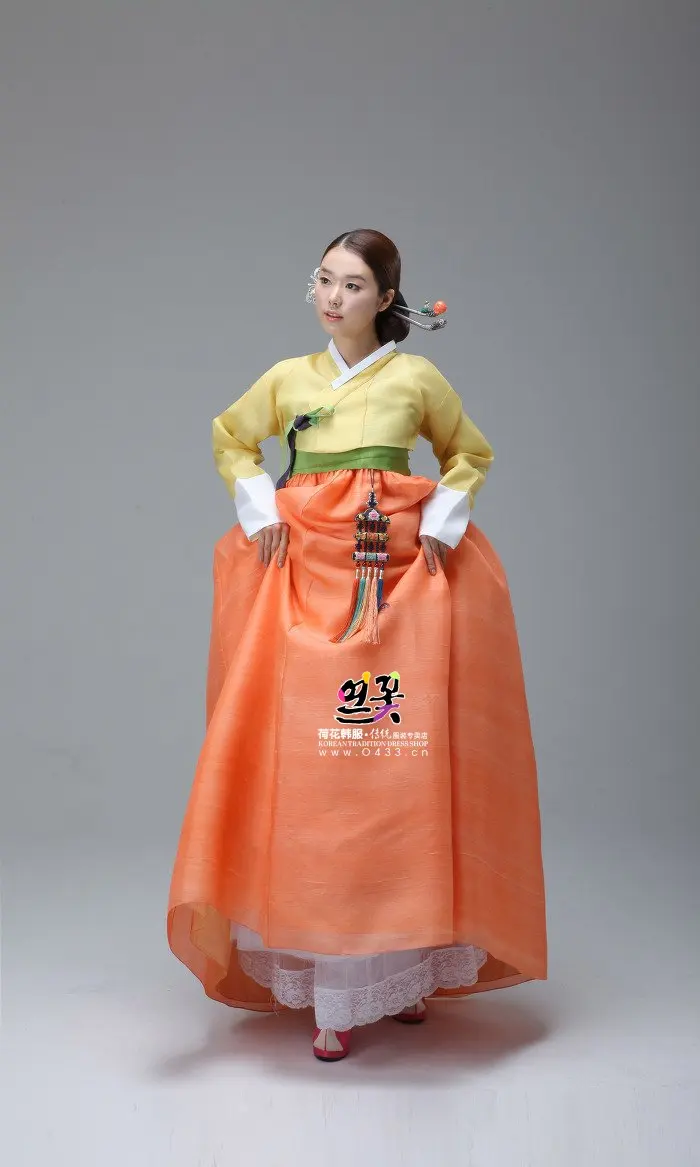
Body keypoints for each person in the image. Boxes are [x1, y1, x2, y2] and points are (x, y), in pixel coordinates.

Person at [167, 228, 547, 1062]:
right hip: (305, 578)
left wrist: (443, 520)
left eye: (352, 285)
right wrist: (260, 509)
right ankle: (332, 988)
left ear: (386, 299)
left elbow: (469, 452)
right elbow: (231, 436)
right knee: (316, 776)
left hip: (397, 582)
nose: (333, 298)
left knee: (394, 775)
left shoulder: (416, 377)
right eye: (324, 280)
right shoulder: (287, 377)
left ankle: (401, 969)